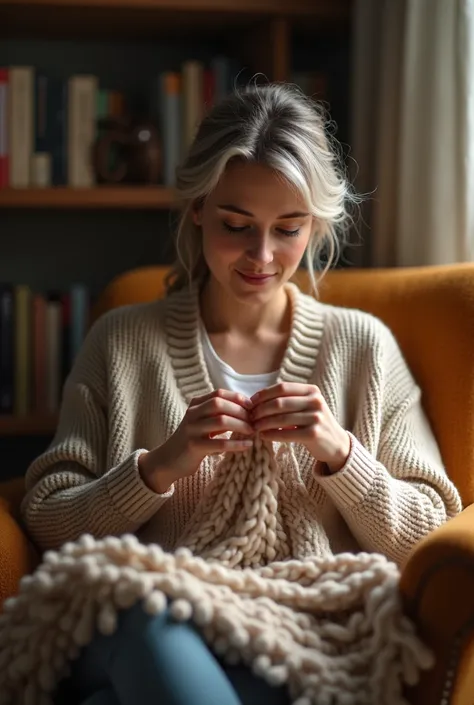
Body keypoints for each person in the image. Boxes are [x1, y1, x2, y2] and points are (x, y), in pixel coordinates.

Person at [21, 83, 462, 705]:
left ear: (316, 226)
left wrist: (341, 454)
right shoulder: (122, 343)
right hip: (156, 618)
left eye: (288, 229)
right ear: (198, 208)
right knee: (140, 608)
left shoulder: (363, 348)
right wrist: (157, 468)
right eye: (236, 225)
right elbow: (47, 519)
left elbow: (431, 530)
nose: (262, 256)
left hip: (307, 629)